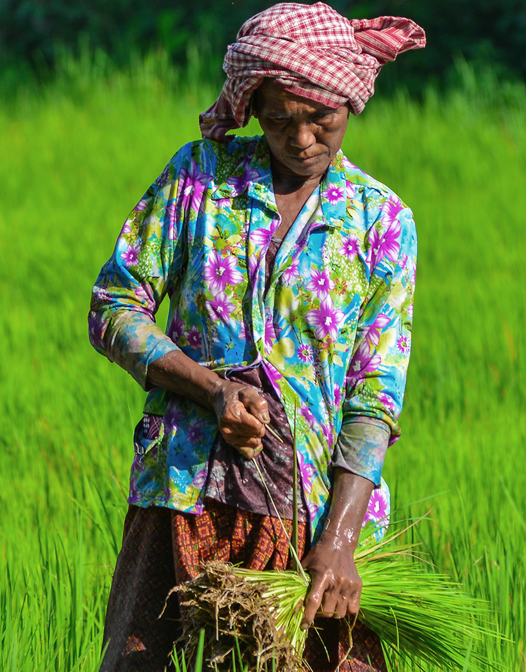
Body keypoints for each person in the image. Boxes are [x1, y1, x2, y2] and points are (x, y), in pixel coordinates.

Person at [89, 4, 425, 670]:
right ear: (252, 107)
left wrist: (342, 539)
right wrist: (212, 391)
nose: (301, 139)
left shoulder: (380, 220)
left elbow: (375, 397)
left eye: (320, 119)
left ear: (349, 103)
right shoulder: (198, 181)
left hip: (313, 512)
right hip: (184, 493)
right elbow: (114, 308)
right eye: (278, 119)